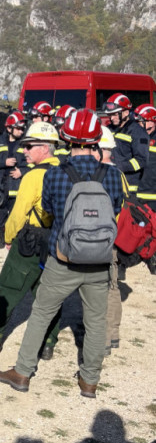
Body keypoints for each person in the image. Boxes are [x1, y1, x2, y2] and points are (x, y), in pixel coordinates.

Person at [0, 109, 124, 398]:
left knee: (41, 312)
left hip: (62, 257)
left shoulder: (54, 175)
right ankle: (89, 380)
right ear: (95, 140)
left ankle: (23, 372)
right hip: (100, 259)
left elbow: (50, 211)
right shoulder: (113, 174)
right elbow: (115, 211)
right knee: (95, 319)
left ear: (67, 139)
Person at [0, 122, 62, 361]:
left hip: (30, 240)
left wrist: (8, 237)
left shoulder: (33, 176)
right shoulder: (66, 171)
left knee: (8, 288)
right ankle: (48, 344)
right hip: (57, 242)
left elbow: (18, 214)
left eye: (29, 146)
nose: (24, 150)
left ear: (45, 148)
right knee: (49, 294)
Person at [103, 93, 150, 280]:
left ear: (125, 111)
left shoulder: (137, 132)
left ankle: (121, 263)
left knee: (123, 226)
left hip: (128, 187)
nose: (111, 117)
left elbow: (141, 161)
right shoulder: (108, 129)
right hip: (108, 182)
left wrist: (119, 167)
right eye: (110, 114)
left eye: (115, 113)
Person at [94, 127, 129, 356]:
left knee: (101, 289)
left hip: (100, 238)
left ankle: (102, 340)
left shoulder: (100, 174)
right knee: (113, 287)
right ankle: (113, 334)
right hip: (115, 237)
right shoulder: (120, 174)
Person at [0, 111, 28, 246]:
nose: (21, 131)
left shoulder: (25, 143)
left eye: (22, 128)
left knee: (16, 215)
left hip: (16, 187)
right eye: (18, 128)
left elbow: (32, 163)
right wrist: (3, 162)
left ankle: (14, 239)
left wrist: (22, 171)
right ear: (9, 128)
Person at [134, 104, 156, 274]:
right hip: (139, 191)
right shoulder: (138, 137)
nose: (140, 125)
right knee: (140, 225)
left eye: (143, 121)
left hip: (153, 192)